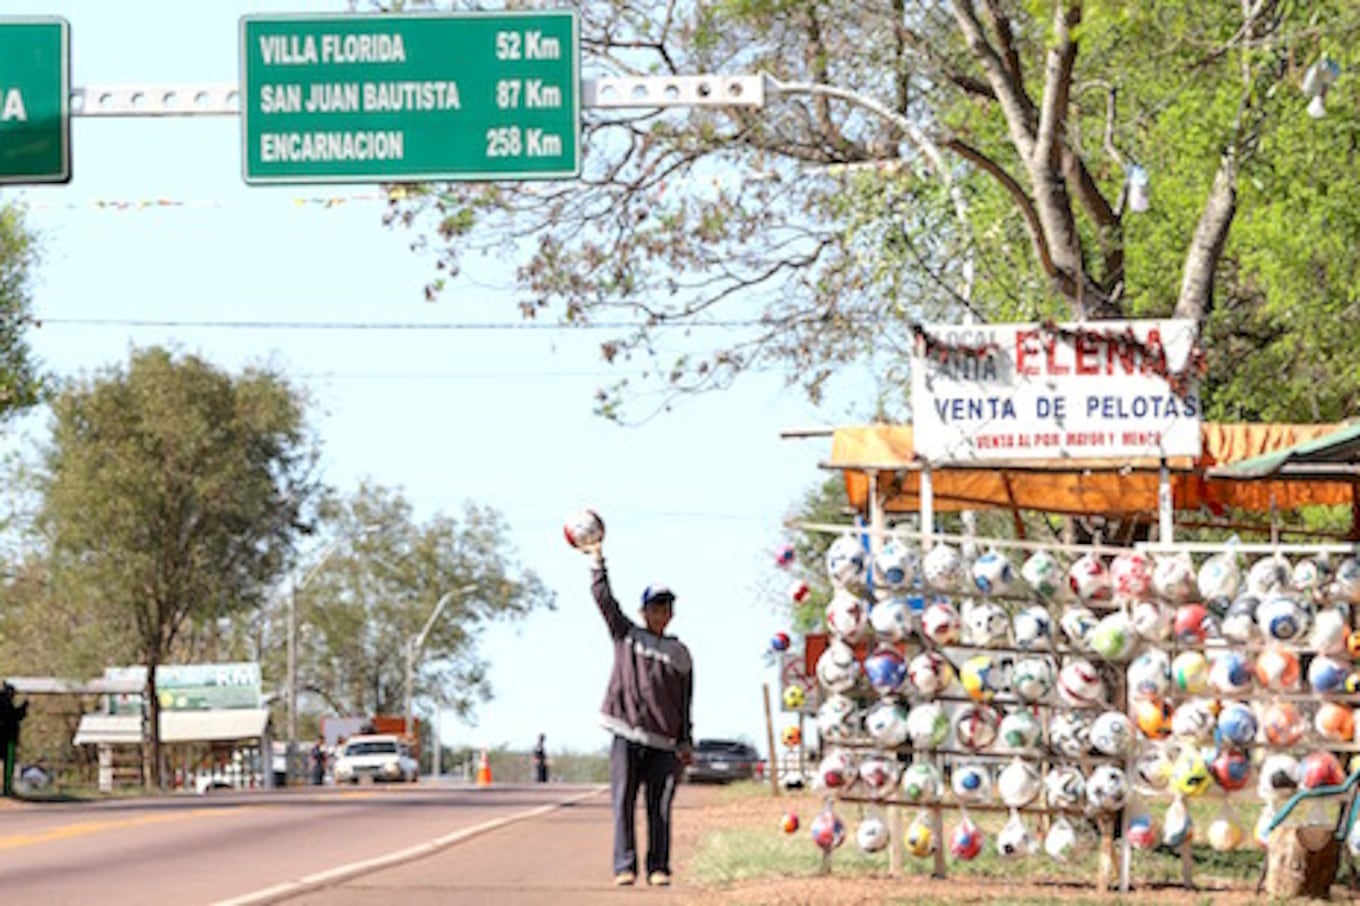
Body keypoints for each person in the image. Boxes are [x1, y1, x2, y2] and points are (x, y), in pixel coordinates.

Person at [580, 539, 693, 889]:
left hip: (663, 742)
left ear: (671, 614)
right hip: (626, 733)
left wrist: (685, 741)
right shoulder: (627, 636)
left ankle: (659, 867)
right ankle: (624, 866)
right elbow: (605, 601)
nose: (660, 613)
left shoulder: (679, 653)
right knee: (623, 803)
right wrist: (597, 562)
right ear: (644, 612)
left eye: (666, 608)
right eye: (655, 607)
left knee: (659, 808)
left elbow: (686, 701)